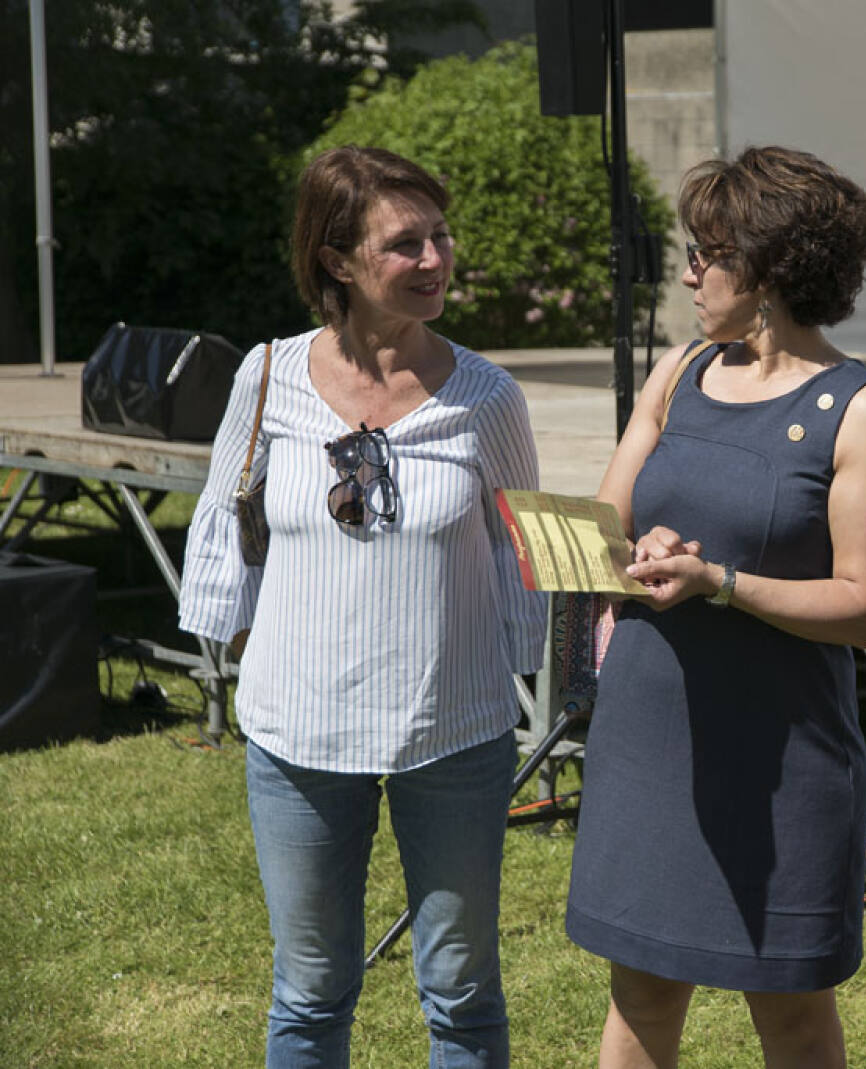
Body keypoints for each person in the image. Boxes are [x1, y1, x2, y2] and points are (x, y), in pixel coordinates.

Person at [178, 145, 544, 1068]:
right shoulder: (267, 376)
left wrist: (541, 666)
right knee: (308, 990)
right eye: (404, 243)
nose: (435, 259)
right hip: (296, 740)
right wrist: (259, 654)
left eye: (441, 236)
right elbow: (225, 525)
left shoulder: (487, 396)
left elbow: (523, 553)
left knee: (462, 992)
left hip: (454, 732)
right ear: (338, 260)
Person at [564, 145, 866, 1068]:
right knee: (641, 994)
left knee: (790, 1010)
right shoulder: (678, 372)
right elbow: (606, 526)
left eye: (706, 254)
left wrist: (720, 581)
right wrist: (633, 552)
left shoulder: (862, 409)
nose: (688, 273)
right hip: (649, 736)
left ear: (768, 269)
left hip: (781, 757)